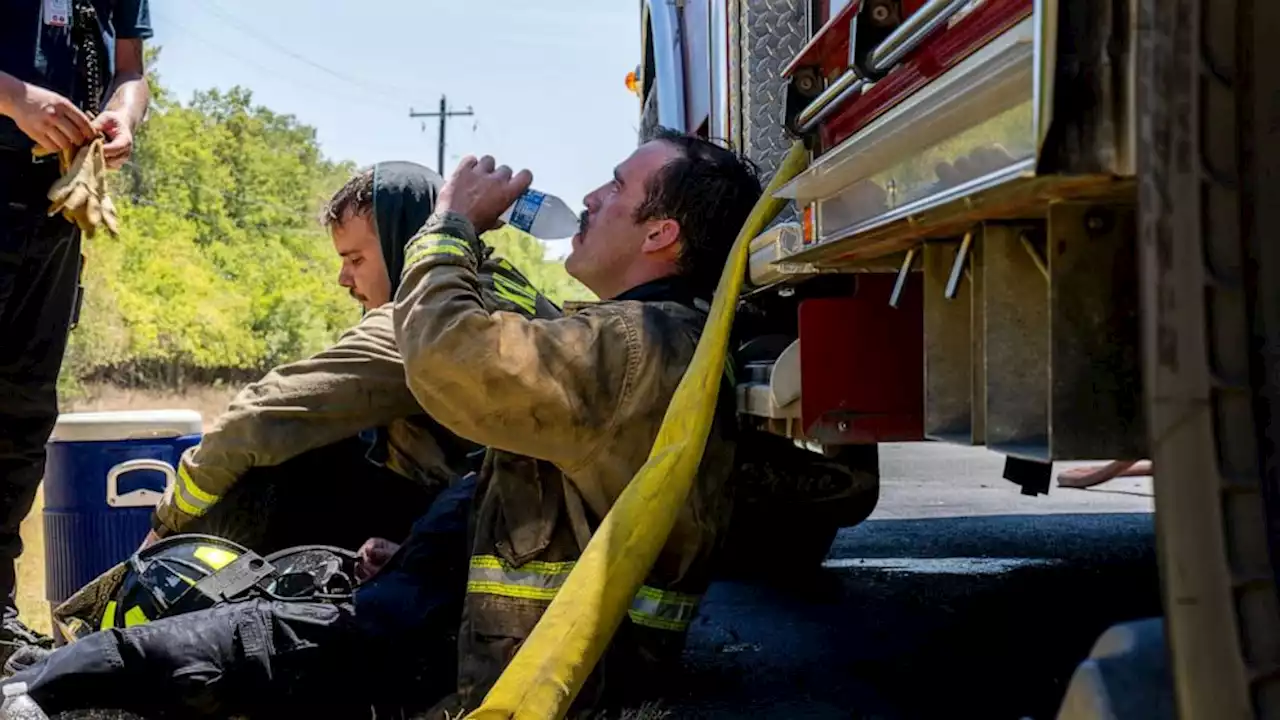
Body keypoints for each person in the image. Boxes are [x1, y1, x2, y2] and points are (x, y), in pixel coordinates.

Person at [1, 129, 762, 718]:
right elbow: (539, 485)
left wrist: (450, 223)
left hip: (519, 658)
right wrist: (422, 549)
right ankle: (57, 673)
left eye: (619, 186)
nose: (591, 197)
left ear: (661, 233)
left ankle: (41, 683)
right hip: (519, 625)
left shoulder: (626, 347)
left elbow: (438, 359)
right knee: (284, 629)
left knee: (259, 640)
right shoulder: (648, 337)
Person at [139, 161, 561, 555]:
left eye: (356, 260)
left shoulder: (420, 320)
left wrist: (163, 529)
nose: (344, 279)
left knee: (278, 454)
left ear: (407, 244)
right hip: (507, 523)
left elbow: (259, 415)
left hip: (496, 534)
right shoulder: (499, 283)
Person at [0, 0, 152, 661]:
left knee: (21, 415)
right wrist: (15, 99)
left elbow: (130, 69)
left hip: (54, 205)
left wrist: (124, 114)